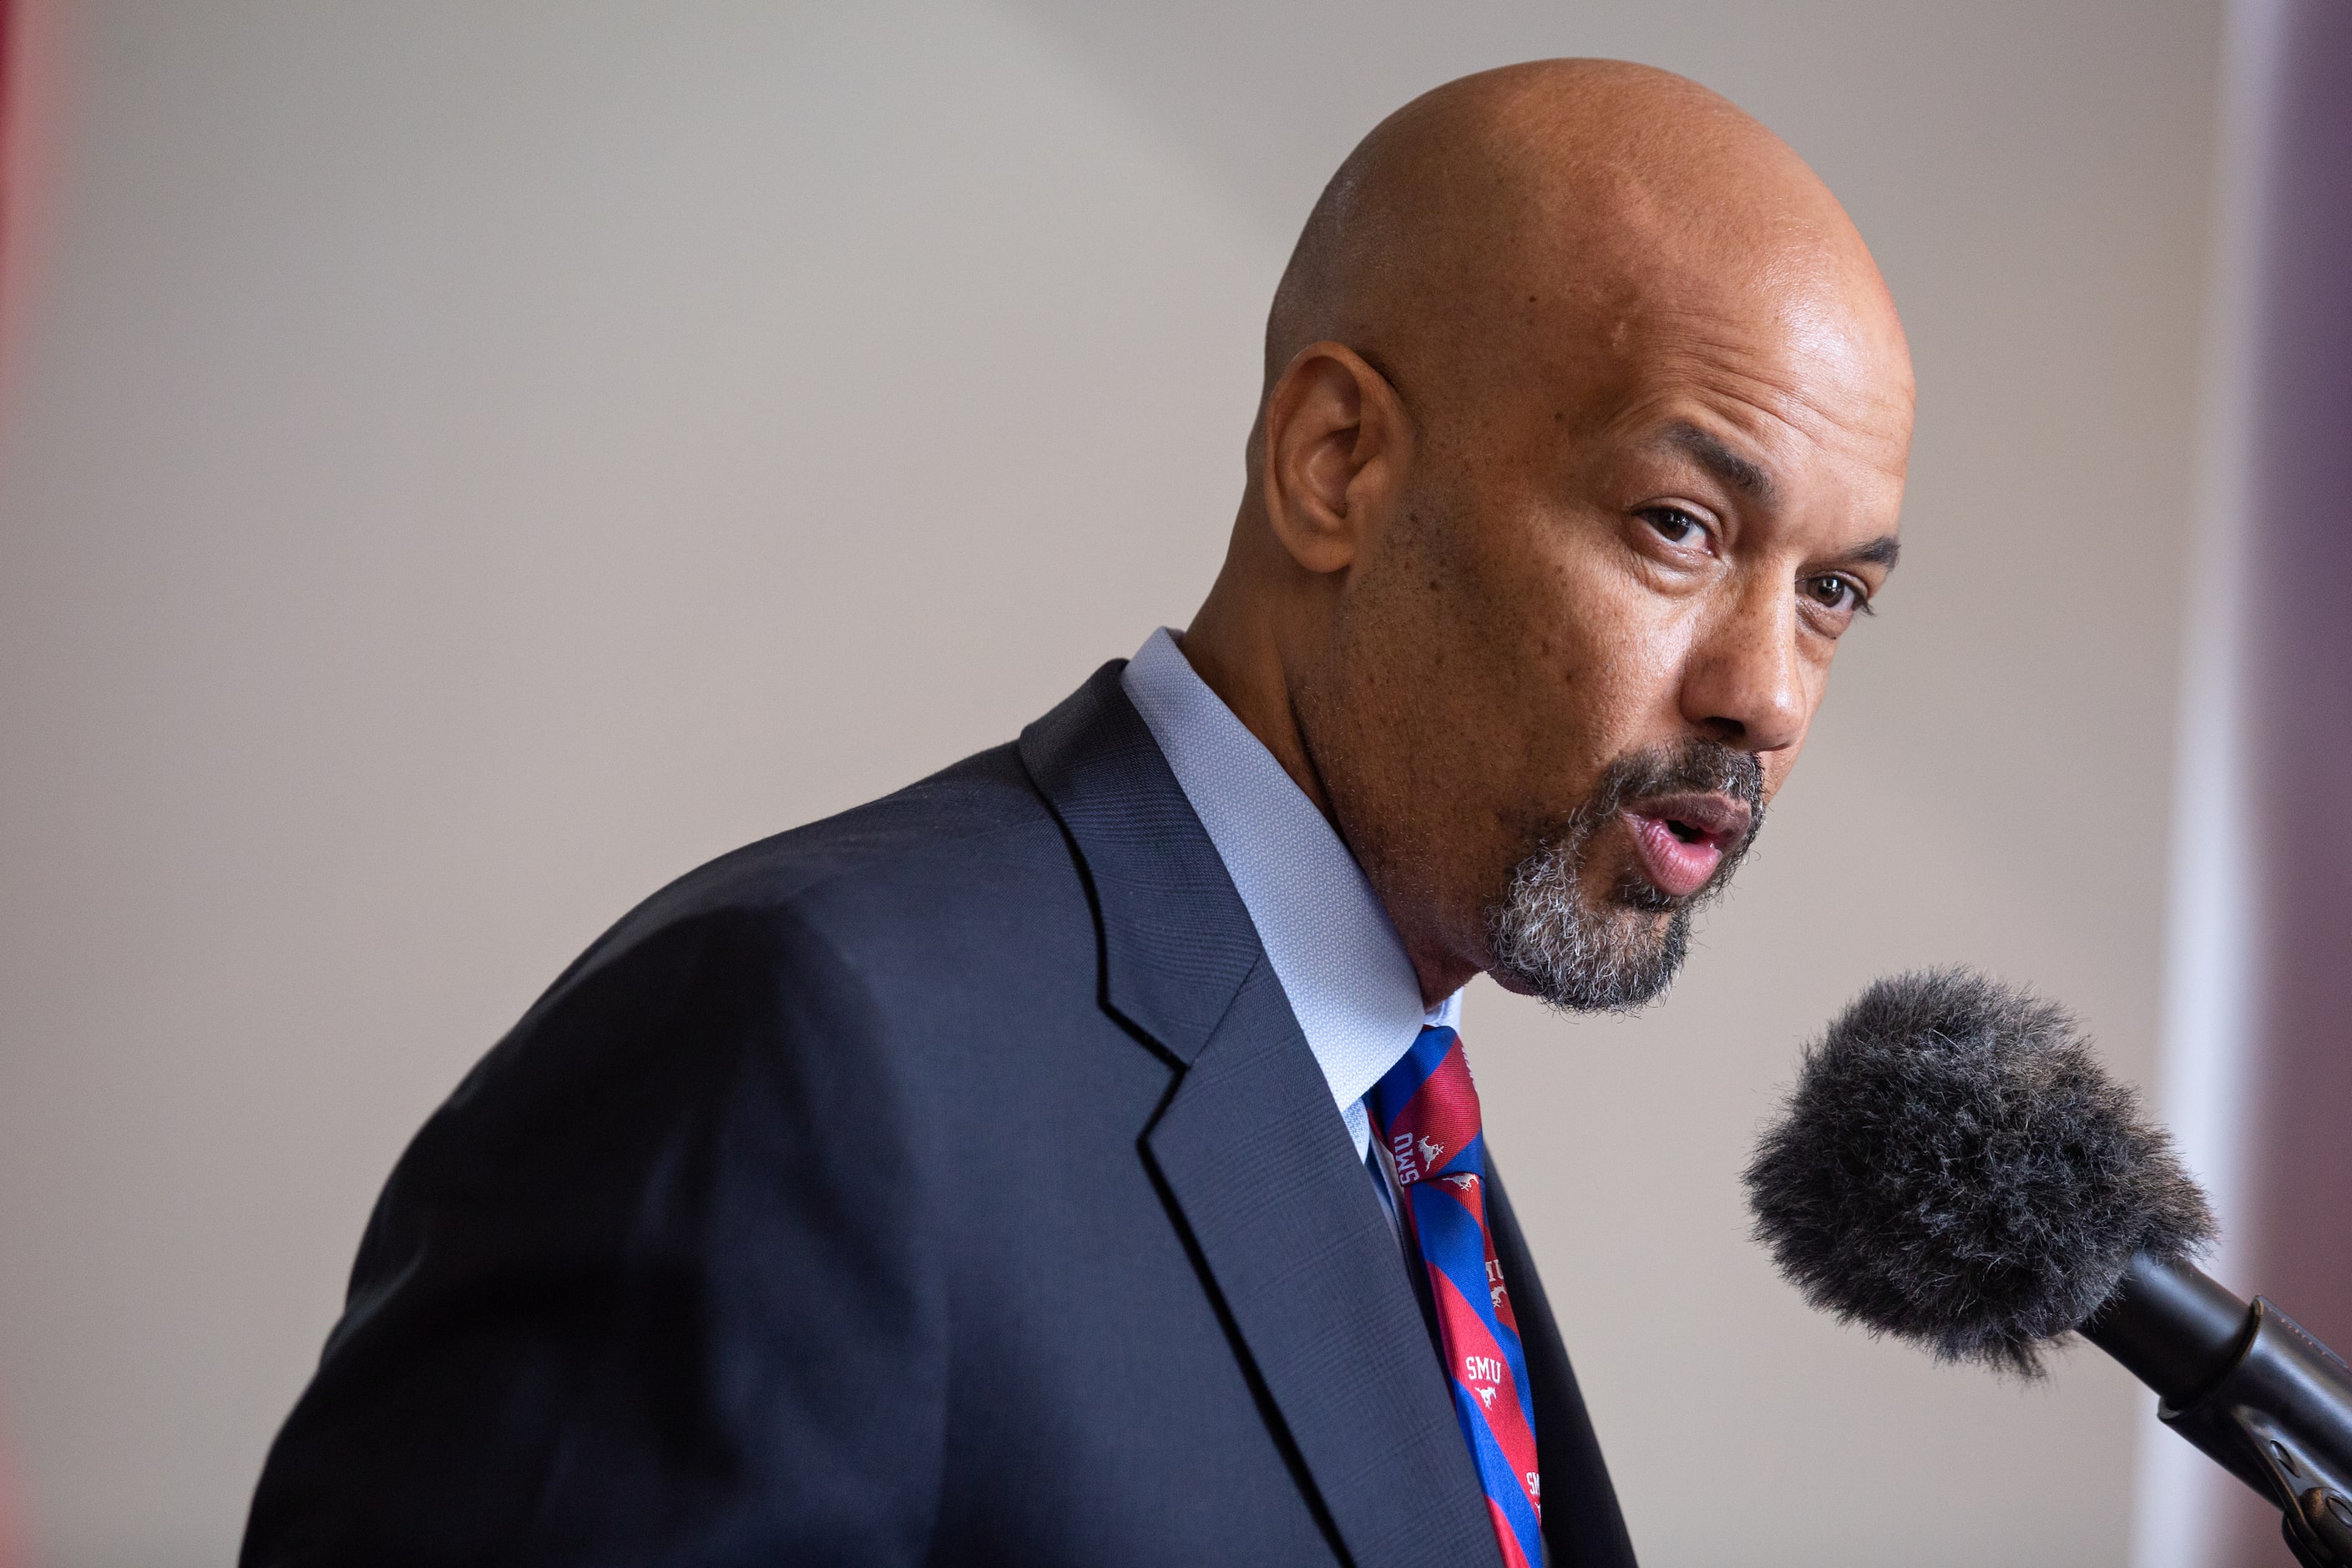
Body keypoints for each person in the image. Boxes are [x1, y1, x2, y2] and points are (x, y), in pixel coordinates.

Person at [240, 57, 1912, 1568]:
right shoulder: (797, 1048)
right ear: (1332, 464)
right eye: (1681, 525)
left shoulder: (1390, 1134)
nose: (1764, 692)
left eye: (1832, 588)